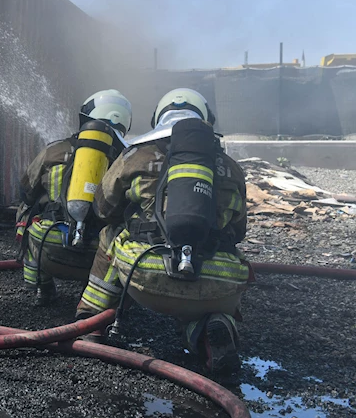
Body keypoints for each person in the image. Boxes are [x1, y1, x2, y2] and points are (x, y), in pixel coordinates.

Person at [75, 88, 250, 375]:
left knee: (111, 233)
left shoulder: (137, 156)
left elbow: (104, 209)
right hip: (217, 283)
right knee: (220, 274)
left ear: (158, 117)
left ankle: (92, 322)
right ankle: (213, 328)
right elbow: (239, 231)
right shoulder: (231, 168)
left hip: (146, 275)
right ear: (206, 119)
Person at [16, 90, 132, 306]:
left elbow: (26, 192)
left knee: (25, 207)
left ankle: (42, 286)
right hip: (100, 258)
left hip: (50, 248)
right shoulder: (128, 159)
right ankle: (106, 301)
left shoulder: (55, 150)